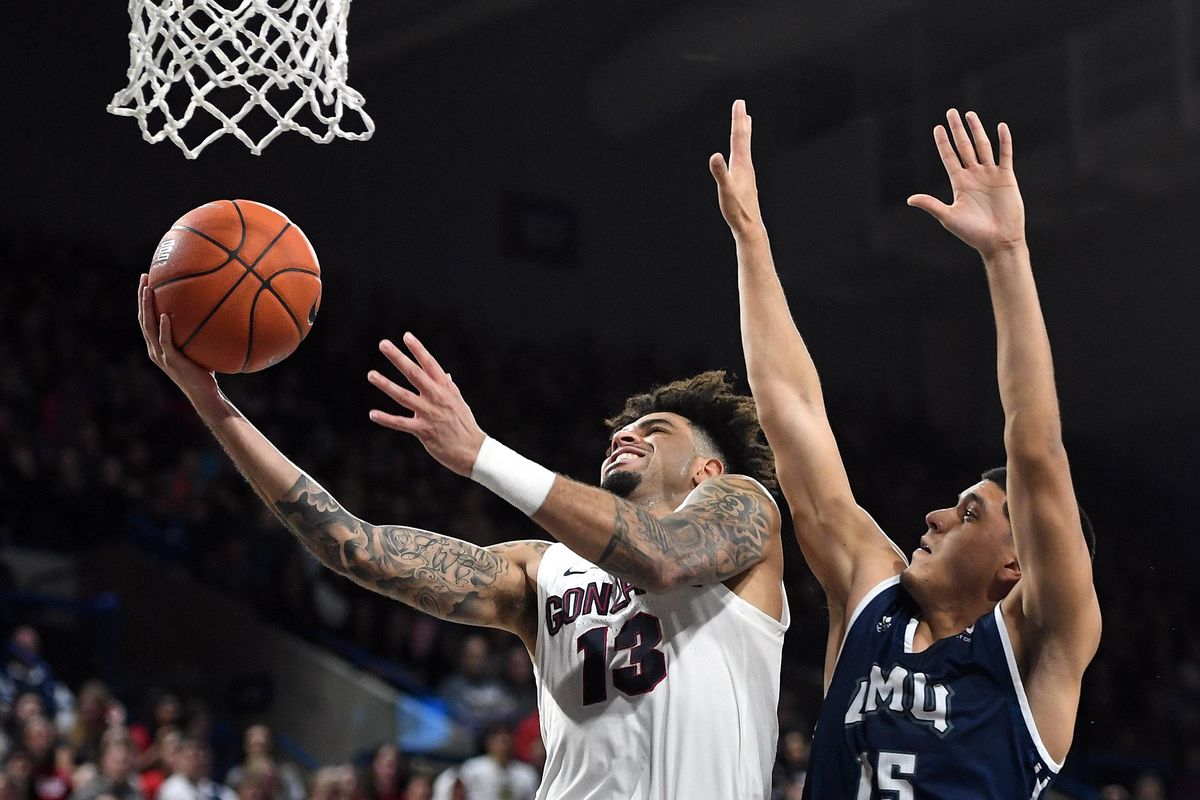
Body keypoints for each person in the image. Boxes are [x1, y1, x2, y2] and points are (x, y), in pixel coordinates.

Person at [138, 282, 788, 799]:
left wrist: (481, 454)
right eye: (623, 428)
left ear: (707, 470)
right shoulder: (543, 570)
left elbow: (664, 559)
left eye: (656, 430)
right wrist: (211, 403)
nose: (625, 435)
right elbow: (353, 547)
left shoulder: (741, 510)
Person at [711, 99, 1101, 798]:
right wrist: (750, 239)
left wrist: (1006, 255)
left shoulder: (1038, 648)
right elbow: (791, 410)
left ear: (1019, 562)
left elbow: (1036, 448)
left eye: (971, 514)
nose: (935, 518)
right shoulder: (872, 595)